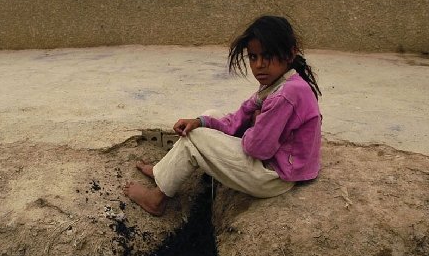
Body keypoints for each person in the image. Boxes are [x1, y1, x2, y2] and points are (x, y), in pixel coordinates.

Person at [123, 15, 322, 216]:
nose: (259, 65)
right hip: (275, 164)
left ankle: (156, 200)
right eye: (253, 57)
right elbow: (241, 115)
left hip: (275, 176)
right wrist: (201, 121)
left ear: (290, 53)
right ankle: (162, 173)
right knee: (209, 118)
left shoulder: (286, 94)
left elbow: (258, 148)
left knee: (197, 137)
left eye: (267, 56)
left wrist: (255, 123)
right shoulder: (278, 84)